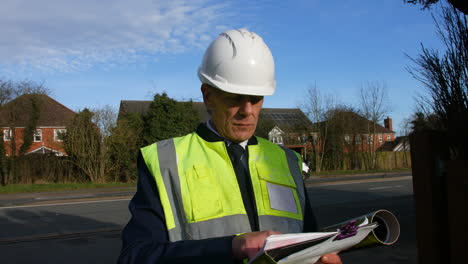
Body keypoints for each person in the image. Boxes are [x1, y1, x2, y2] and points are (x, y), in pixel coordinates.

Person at [118, 28, 342, 264]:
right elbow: (136, 256)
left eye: (256, 99)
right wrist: (231, 247)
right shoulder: (164, 161)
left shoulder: (288, 162)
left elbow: (306, 239)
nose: (247, 111)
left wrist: (318, 257)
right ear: (208, 95)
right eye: (235, 97)